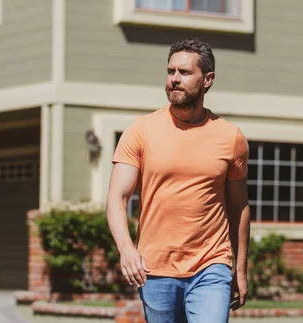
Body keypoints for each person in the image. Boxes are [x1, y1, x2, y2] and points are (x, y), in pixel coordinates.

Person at [105, 38, 251, 323]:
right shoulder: (140, 131)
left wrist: (240, 269)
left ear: (207, 80)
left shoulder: (231, 138)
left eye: (184, 73)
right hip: (156, 267)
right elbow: (117, 197)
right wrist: (126, 250)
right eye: (171, 71)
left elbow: (239, 207)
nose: (174, 79)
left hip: (212, 264)